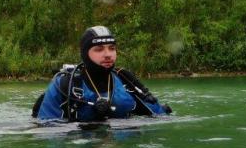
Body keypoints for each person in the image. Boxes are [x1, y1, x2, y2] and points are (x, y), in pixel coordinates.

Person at [34, 25, 172, 122]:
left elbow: (158, 115)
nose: (108, 55)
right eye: (99, 49)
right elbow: (47, 129)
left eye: (112, 48)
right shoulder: (65, 84)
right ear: (85, 53)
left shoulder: (125, 79)